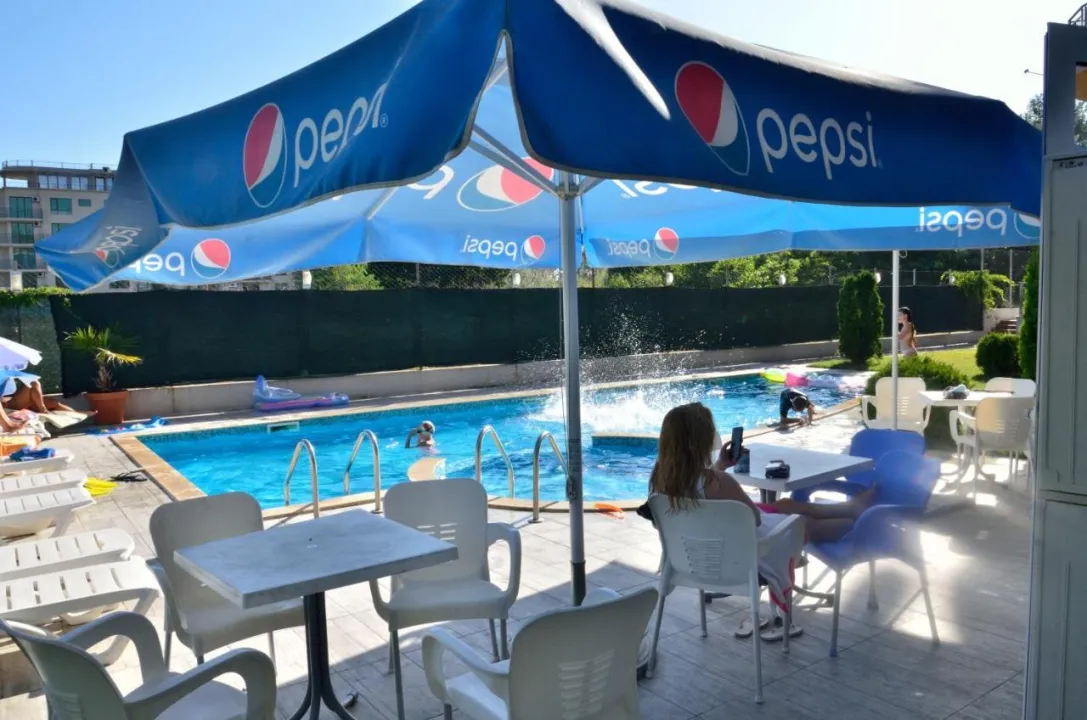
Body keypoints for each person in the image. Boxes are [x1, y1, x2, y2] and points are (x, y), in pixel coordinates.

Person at [649, 402, 873, 543]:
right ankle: (861, 520)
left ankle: (851, 507)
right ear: (703, 442)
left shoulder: (659, 477)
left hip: (697, 550)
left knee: (785, 505)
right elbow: (755, 519)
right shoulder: (719, 482)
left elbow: (698, 492)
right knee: (803, 522)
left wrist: (720, 465)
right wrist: (719, 473)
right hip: (744, 551)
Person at [2, 375, 73, 414]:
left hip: (21, 401)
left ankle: (77, 414)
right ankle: (43, 409)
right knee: (33, 382)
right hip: (9, 404)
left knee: (54, 403)